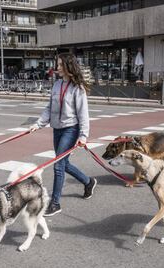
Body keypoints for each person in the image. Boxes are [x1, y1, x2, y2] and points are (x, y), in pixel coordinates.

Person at [30, 53, 97, 217]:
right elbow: (49, 108)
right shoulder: (56, 85)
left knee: (58, 165)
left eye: (60, 65)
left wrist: (83, 136)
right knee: (63, 163)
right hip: (57, 128)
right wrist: (38, 124)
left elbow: (83, 114)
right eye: (57, 64)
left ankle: (55, 203)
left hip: (70, 129)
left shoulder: (78, 88)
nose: (57, 68)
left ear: (68, 67)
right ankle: (88, 182)